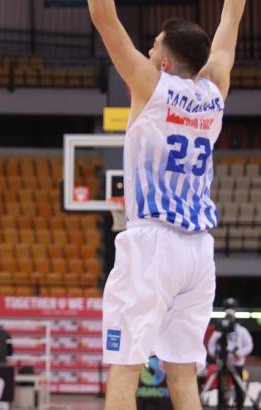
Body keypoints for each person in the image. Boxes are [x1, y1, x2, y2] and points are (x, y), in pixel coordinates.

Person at [87, 1, 246, 409]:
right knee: (182, 373)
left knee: (125, 367)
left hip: (152, 242)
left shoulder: (151, 85)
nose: (148, 50)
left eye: (154, 46)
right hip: (197, 251)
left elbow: (104, 17)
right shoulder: (214, 90)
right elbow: (231, 18)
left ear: (165, 63)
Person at [207, 301, 254, 410]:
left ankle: (239, 406)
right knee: (221, 387)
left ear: (235, 317)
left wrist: (240, 353)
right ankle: (221, 406)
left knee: (239, 387)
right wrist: (215, 353)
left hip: (237, 364)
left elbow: (249, 345)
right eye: (227, 316)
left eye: (231, 317)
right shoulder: (219, 331)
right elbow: (211, 345)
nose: (229, 319)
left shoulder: (242, 331)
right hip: (222, 363)